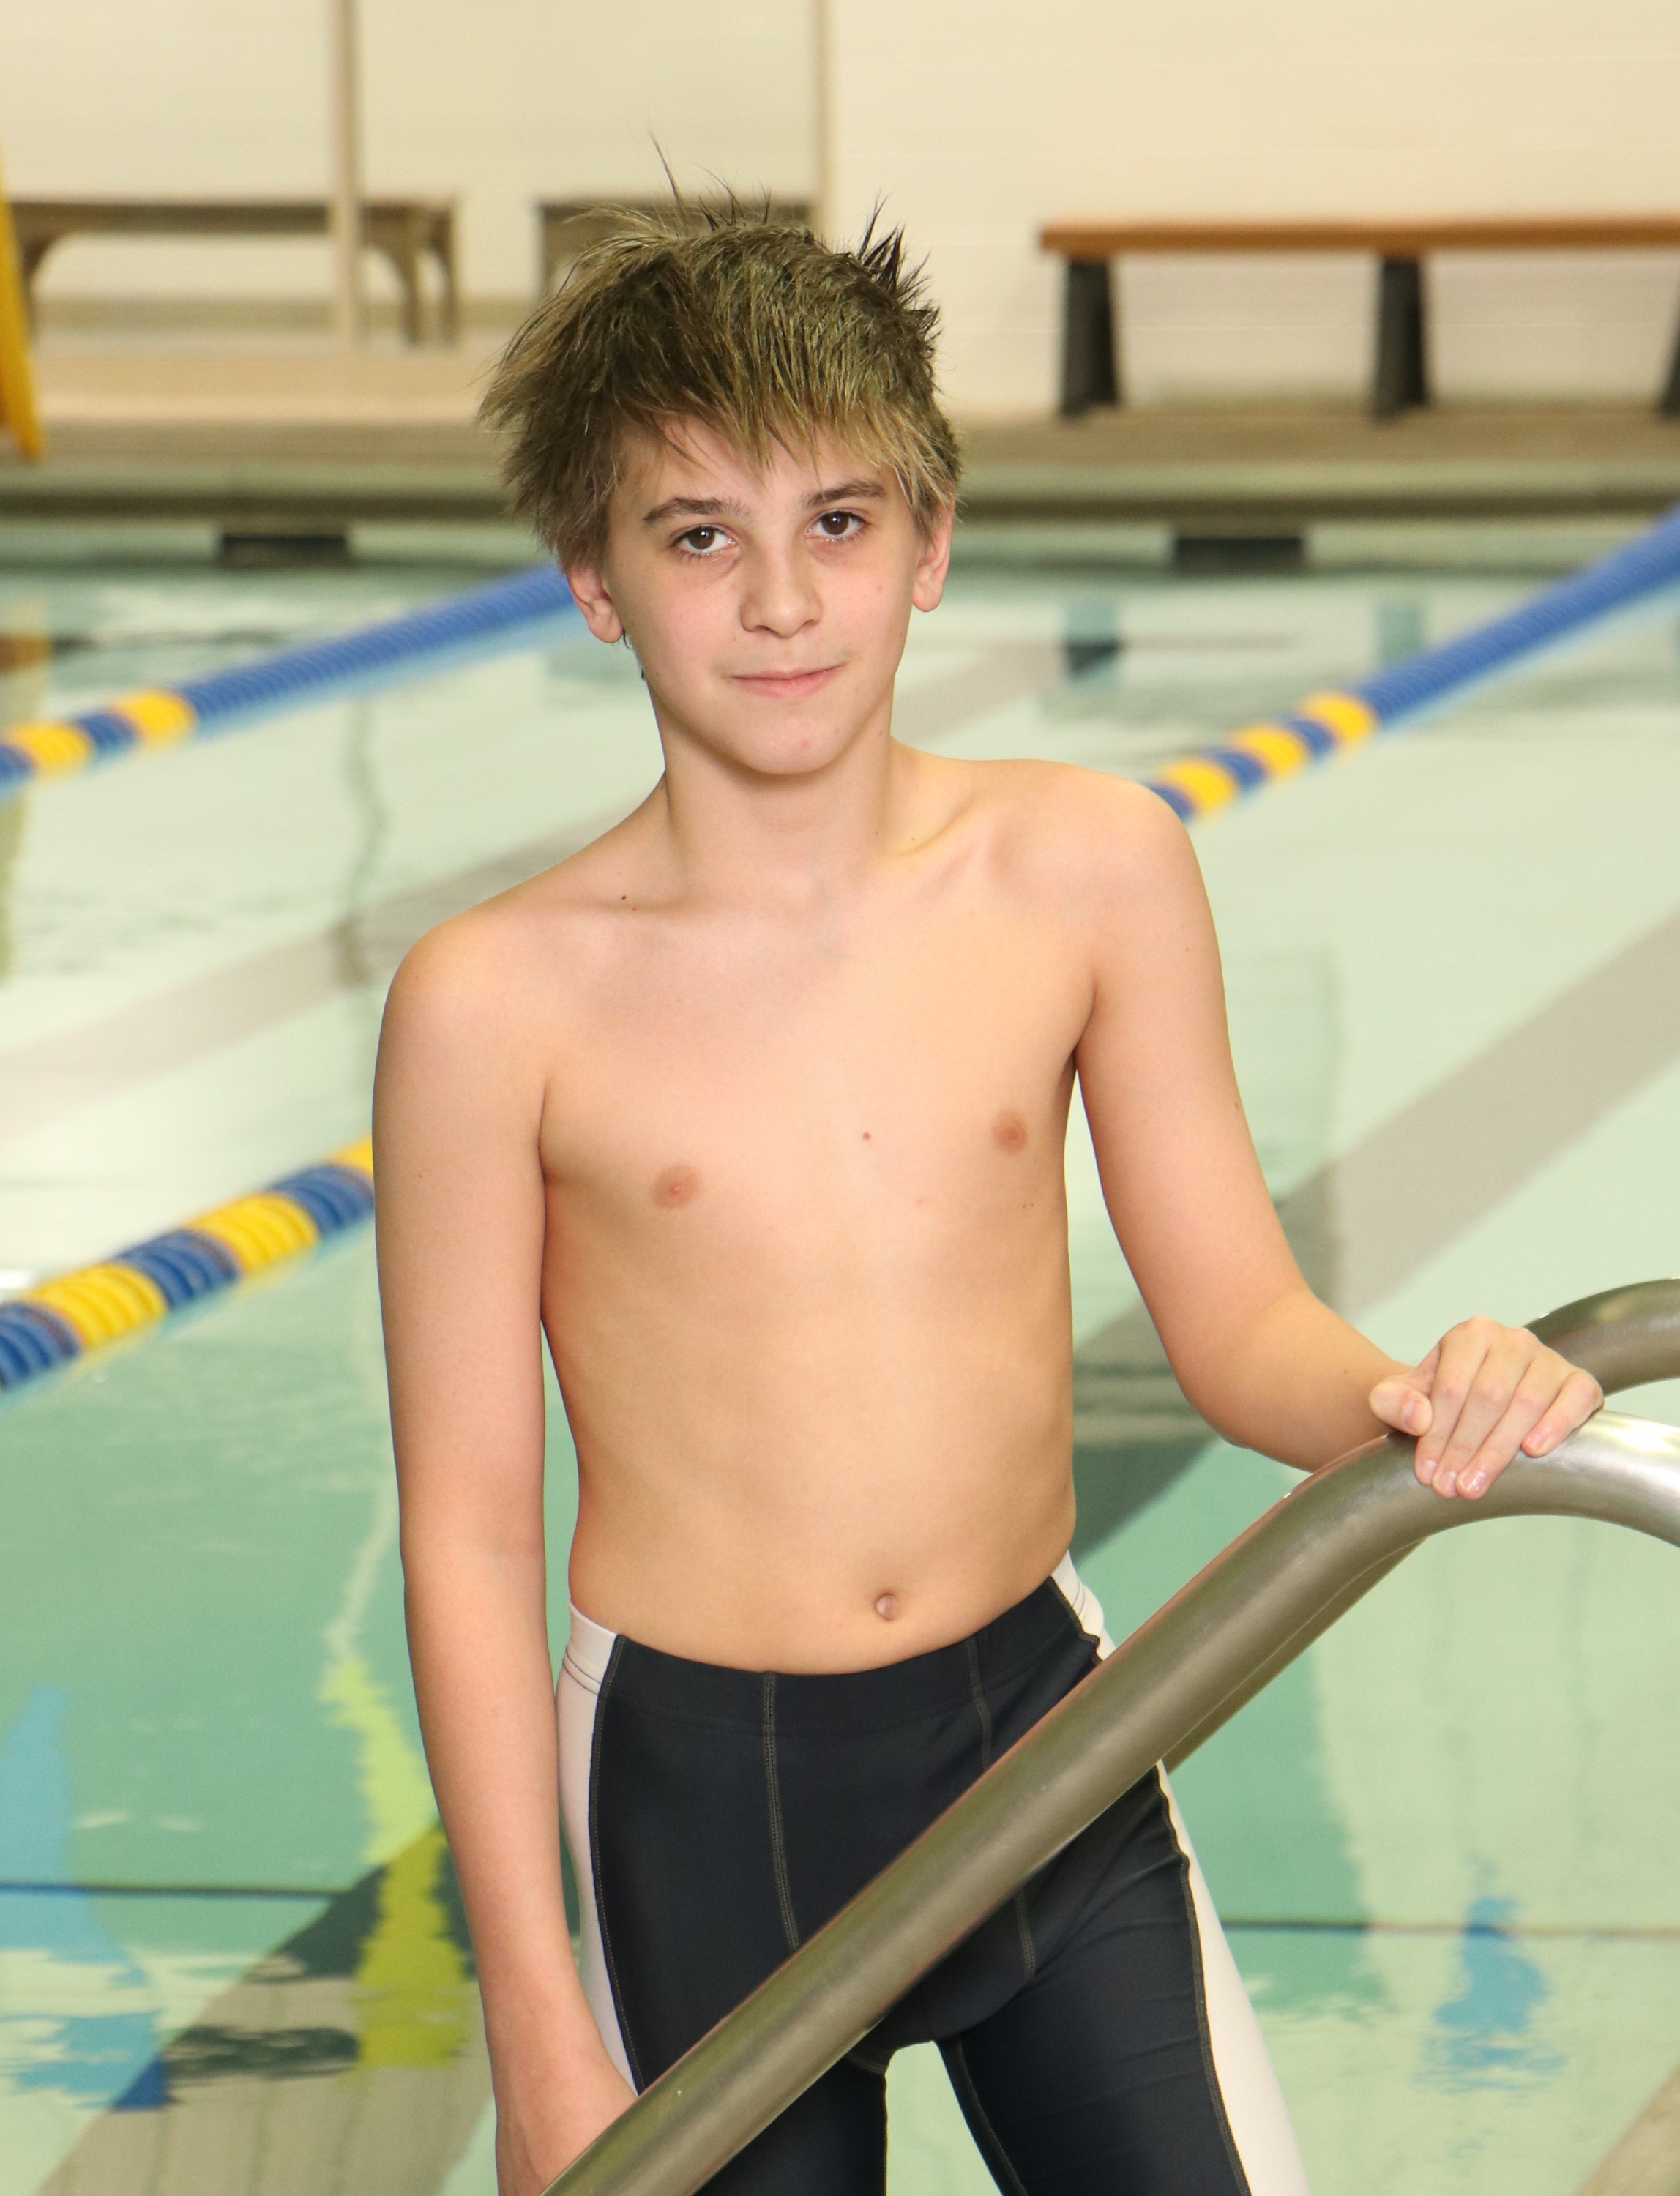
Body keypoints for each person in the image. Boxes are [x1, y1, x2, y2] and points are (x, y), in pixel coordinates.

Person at [372, 209, 1602, 2196]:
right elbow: (465, 1535)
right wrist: (535, 2026)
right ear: (595, 577)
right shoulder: (494, 1005)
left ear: (931, 541)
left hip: (1040, 1739)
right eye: (699, 536)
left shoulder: (1084, 870)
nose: (783, 600)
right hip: (701, 1802)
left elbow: (1239, 1328)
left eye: (840, 523)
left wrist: (1404, 1394)